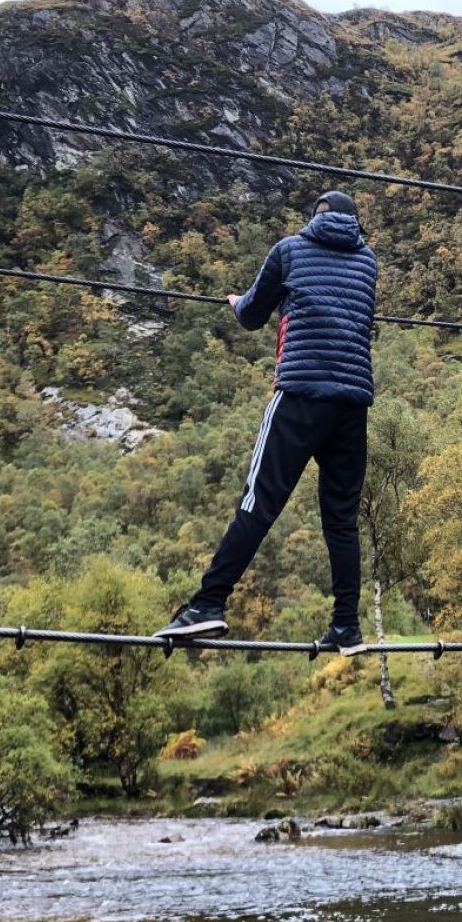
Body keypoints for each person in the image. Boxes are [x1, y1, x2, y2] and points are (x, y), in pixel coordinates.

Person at [156, 190, 378, 655]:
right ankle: (346, 626)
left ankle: (208, 604)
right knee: (342, 521)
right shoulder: (368, 261)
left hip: (300, 394)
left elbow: (254, 315)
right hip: (352, 406)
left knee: (259, 502)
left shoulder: (290, 249)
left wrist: (237, 301)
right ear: (356, 222)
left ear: (315, 217)